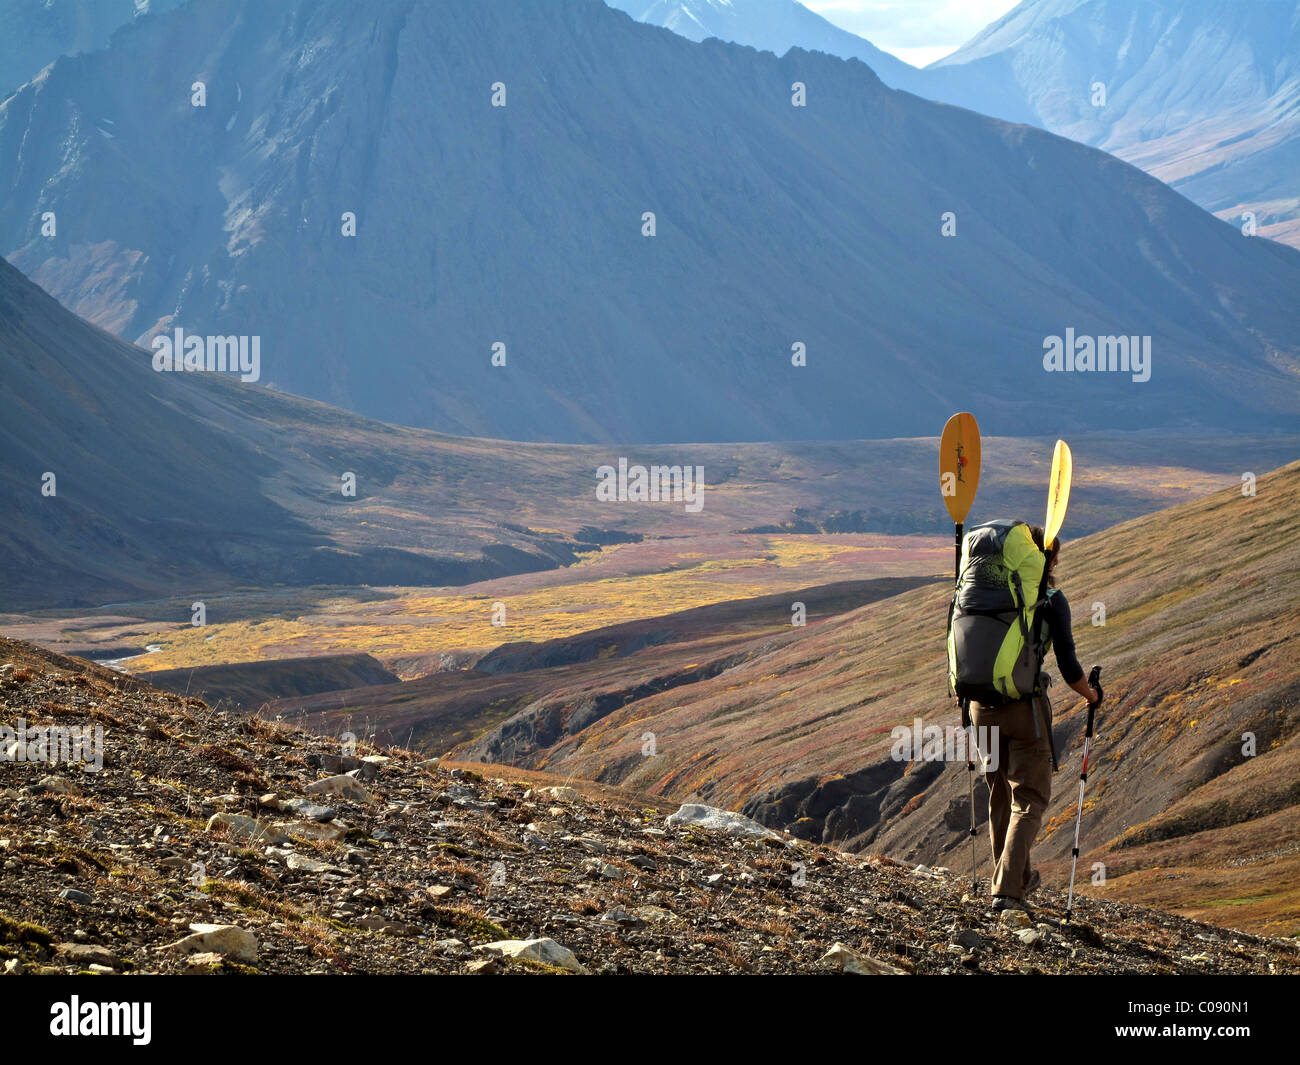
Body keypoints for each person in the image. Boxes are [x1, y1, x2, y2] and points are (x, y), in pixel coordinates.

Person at [970, 526, 1100, 913]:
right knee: (1028, 798)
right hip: (1024, 710)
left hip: (979, 708)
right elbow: (1069, 666)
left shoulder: (980, 595)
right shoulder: (1051, 600)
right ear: (1048, 560)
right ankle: (1008, 891)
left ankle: (1015, 879)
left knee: (998, 794)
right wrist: (1092, 696)